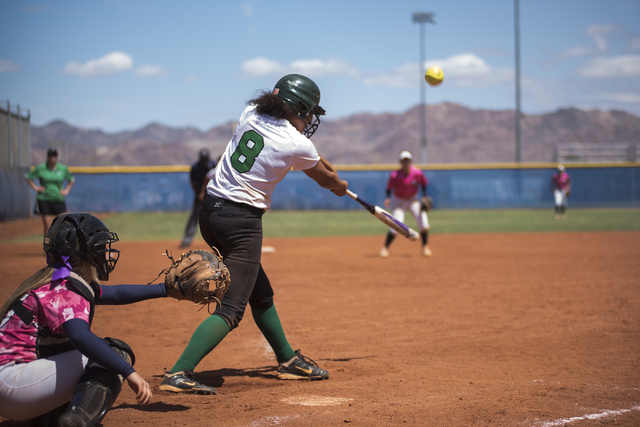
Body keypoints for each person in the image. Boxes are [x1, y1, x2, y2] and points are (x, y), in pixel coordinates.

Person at [159, 74, 349, 394]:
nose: (311, 118)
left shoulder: (251, 113)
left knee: (260, 292)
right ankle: (179, 372)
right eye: (309, 111)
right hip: (241, 223)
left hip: (212, 213)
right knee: (233, 310)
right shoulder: (296, 143)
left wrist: (330, 172)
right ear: (297, 107)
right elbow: (326, 178)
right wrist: (340, 186)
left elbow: (316, 159)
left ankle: (288, 360)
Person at [0, 213, 168, 426]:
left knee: (68, 348)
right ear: (81, 256)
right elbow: (80, 336)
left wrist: (166, 289)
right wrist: (128, 372)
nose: (105, 254)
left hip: (13, 385)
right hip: (14, 386)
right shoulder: (66, 289)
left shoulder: (55, 280)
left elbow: (116, 294)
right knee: (112, 352)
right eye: (100, 249)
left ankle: (41, 418)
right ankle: (77, 420)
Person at [379, 150, 432, 258]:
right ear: (400, 162)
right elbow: (389, 188)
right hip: (399, 200)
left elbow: (424, 184)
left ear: (411, 161)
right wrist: (388, 198)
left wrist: (425, 196)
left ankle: (425, 247)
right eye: (404, 161)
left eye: (407, 160)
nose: (406, 163)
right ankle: (385, 248)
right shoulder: (394, 174)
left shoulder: (417, 172)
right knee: (396, 224)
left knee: (423, 222)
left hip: (413, 199)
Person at [25, 147, 75, 237]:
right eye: (51, 155)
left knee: (62, 224)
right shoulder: (41, 168)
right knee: (48, 226)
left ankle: (61, 247)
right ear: (48, 156)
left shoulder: (62, 168)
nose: (53, 158)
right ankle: (48, 249)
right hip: (44, 199)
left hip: (58, 198)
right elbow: (28, 177)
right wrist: (36, 188)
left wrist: (66, 190)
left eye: (54, 155)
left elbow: (71, 180)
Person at [180, 148, 217, 248]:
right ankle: (186, 240)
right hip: (199, 196)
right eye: (203, 159)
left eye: (206, 159)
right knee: (194, 217)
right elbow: (193, 182)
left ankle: (218, 243)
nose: (204, 161)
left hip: (212, 195)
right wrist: (198, 194)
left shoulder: (213, 165)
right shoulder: (195, 167)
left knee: (215, 219)